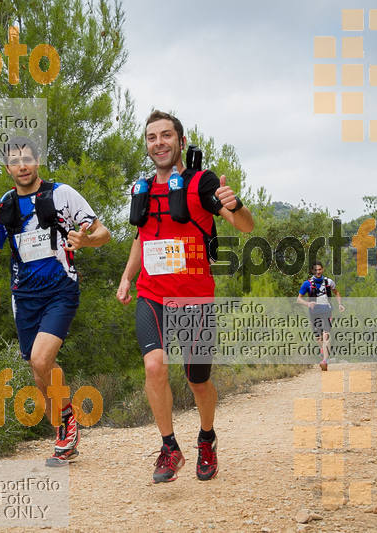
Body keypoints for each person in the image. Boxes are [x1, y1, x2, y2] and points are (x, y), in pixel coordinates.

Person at [117, 111, 254, 483]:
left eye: (165, 135)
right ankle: (169, 447)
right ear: (146, 145)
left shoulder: (200, 183)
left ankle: (206, 438)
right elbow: (141, 238)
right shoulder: (142, 189)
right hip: (152, 295)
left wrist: (235, 203)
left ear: (180, 140)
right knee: (154, 366)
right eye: (151, 137)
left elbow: (245, 225)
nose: (158, 142)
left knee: (197, 382)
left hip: (195, 299)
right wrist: (127, 277)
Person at [0, 137, 110, 466]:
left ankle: (68, 422)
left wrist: (85, 240)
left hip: (60, 290)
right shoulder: (4, 206)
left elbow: (103, 234)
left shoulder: (62, 195)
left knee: (42, 361)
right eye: (14, 161)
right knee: (36, 371)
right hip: (24, 298)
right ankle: (63, 435)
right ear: (7, 167)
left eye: (27, 158)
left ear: (37, 161)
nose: (22, 166)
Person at [296, 260, 345, 371]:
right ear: (313, 271)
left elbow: (336, 292)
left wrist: (340, 304)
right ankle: (323, 350)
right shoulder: (307, 284)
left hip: (327, 312)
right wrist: (307, 303)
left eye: (319, 269)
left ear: (322, 269)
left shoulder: (329, 282)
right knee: (318, 338)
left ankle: (325, 361)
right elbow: (298, 299)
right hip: (314, 313)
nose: (318, 272)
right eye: (315, 270)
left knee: (326, 335)